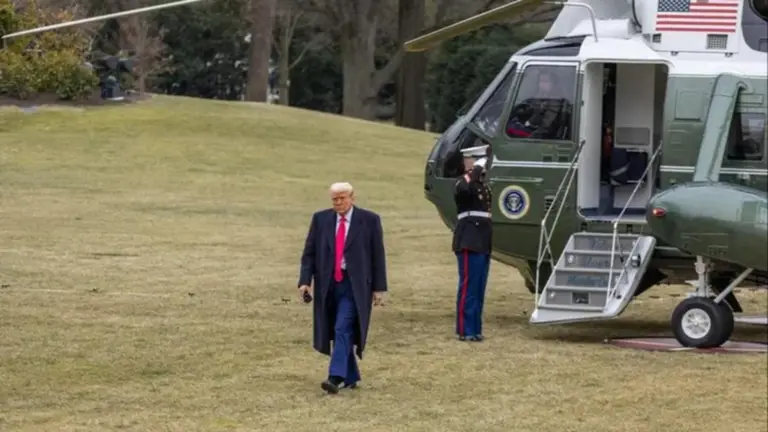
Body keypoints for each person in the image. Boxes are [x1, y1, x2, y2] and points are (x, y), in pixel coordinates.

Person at [297, 182, 388, 394]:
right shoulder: (320, 220)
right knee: (334, 328)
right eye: (334, 199)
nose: (338, 203)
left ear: (352, 198)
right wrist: (305, 281)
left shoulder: (369, 220)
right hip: (328, 284)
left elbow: (377, 255)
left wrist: (379, 288)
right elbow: (309, 253)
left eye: (342, 198)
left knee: (342, 327)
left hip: (354, 285)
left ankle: (335, 376)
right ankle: (351, 375)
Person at [453, 145, 492, 342]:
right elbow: (463, 189)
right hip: (469, 239)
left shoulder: (482, 186)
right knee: (469, 287)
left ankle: (475, 328)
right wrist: (475, 169)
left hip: (482, 240)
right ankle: (465, 329)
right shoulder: (463, 182)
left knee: (479, 287)